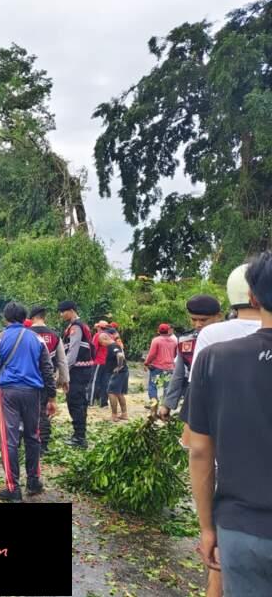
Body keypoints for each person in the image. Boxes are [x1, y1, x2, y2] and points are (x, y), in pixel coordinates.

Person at [188, 253, 272, 596]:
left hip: (243, 529)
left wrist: (207, 528)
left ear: (251, 297)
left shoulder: (216, 357)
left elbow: (199, 450)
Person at [0, 302, 55, 501]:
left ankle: (13, 488)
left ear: (5, 318)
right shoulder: (37, 340)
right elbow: (47, 369)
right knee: (33, 436)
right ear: (24, 317)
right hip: (33, 393)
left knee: (9, 439)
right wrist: (51, 396)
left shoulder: (0, 339)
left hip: (9, 393)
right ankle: (34, 482)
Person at [159, 295, 223, 446]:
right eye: (194, 319)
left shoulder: (229, 337)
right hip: (195, 396)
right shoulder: (185, 341)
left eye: (203, 320)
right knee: (194, 445)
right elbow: (179, 374)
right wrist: (167, 404)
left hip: (224, 397)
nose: (198, 324)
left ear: (218, 317)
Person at [28, 305, 69, 454]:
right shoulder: (54, 335)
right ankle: (43, 445)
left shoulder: (26, 334)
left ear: (32, 318)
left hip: (27, 380)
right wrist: (64, 380)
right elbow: (62, 361)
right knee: (44, 411)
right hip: (46, 380)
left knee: (26, 412)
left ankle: (26, 442)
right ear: (44, 317)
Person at [58, 300, 95, 448]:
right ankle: (79, 434)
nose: (61, 315)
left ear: (71, 310)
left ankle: (79, 438)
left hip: (78, 371)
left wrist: (63, 373)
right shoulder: (79, 325)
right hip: (82, 370)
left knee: (75, 402)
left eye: (63, 311)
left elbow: (72, 353)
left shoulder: (76, 327)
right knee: (80, 402)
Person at [143, 323, 177, 406]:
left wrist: (146, 363)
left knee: (153, 385)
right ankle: (164, 407)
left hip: (157, 368)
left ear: (158, 331)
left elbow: (152, 354)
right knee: (166, 387)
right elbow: (175, 354)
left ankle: (154, 403)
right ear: (168, 331)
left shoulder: (156, 340)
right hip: (169, 368)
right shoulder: (174, 341)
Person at [103, 327, 129, 421]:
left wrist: (119, 366)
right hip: (123, 371)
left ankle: (114, 415)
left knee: (111, 392)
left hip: (119, 372)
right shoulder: (115, 344)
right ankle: (124, 414)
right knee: (119, 393)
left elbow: (120, 355)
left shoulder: (113, 345)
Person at [89, 321, 115, 408]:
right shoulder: (110, 336)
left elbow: (94, 349)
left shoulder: (98, 335)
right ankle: (103, 403)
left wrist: (91, 360)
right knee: (105, 382)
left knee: (94, 381)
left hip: (98, 362)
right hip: (107, 363)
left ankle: (90, 401)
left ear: (99, 327)